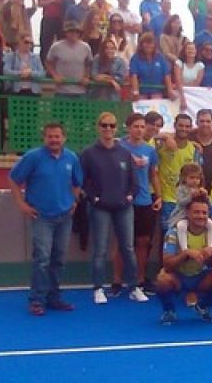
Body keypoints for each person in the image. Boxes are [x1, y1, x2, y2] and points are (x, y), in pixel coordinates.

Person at [8, 123, 83, 316]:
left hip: (64, 217)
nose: (54, 140)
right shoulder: (33, 157)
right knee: (42, 259)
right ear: (44, 138)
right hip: (41, 216)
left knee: (59, 259)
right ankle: (37, 300)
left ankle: (54, 297)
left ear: (64, 138)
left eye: (57, 136)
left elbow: (77, 182)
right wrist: (21, 204)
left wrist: (74, 201)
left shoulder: (72, 158)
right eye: (50, 136)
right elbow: (13, 179)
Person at [80, 112, 140, 305]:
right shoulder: (88, 153)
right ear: (98, 127)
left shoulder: (124, 153)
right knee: (100, 249)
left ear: (116, 128)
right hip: (100, 209)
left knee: (128, 248)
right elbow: (82, 180)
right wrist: (94, 198)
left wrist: (130, 195)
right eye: (104, 125)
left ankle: (134, 287)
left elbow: (134, 180)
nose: (108, 129)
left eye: (112, 125)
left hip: (123, 208)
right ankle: (98, 288)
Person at [157, 194, 212, 325]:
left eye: (204, 213)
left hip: (202, 277)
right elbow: (167, 265)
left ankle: (202, 307)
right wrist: (186, 254)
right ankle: (169, 311)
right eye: (196, 212)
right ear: (187, 213)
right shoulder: (174, 232)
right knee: (162, 279)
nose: (201, 216)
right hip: (179, 277)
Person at [114, 113, 162, 298]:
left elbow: (153, 175)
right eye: (136, 126)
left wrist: (158, 196)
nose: (139, 130)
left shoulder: (150, 150)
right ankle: (117, 281)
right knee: (122, 242)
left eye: (142, 127)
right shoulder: (119, 146)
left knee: (143, 242)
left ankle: (140, 280)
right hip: (124, 201)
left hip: (144, 200)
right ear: (128, 128)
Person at [156, 114, 203, 231]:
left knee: (183, 235)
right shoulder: (162, 144)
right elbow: (150, 135)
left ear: (191, 128)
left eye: (187, 126)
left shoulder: (194, 149)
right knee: (167, 233)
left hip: (186, 201)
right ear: (174, 126)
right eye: (180, 125)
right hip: (167, 199)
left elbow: (199, 175)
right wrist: (166, 136)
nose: (183, 129)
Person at [37, 0, 74, 64]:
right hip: (48, 19)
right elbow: (40, 3)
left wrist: (62, 1)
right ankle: (44, 66)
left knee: (63, 43)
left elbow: (72, 4)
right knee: (45, 44)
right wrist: (52, 0)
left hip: (62, 20)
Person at [46, 22, 93, 98]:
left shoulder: (86, 47)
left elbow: (89, 63)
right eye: (71, 31)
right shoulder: (56, 46)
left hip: (80, 89)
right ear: (66, 33)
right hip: (61, 90)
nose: (74, 34)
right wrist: (55, 75)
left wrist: (86, 76)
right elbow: (48, 62)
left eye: (77, 31)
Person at [129, 32, 175, 100]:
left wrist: (170, 91)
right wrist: (136, 91)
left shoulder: (160, 57)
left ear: (154, 45)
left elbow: (167, 75)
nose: (148, 45)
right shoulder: (135, 58)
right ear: (141, 44)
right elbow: (134, 75)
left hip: (157, 92)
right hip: (141, 93)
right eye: (146, 43)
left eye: (151, 43)